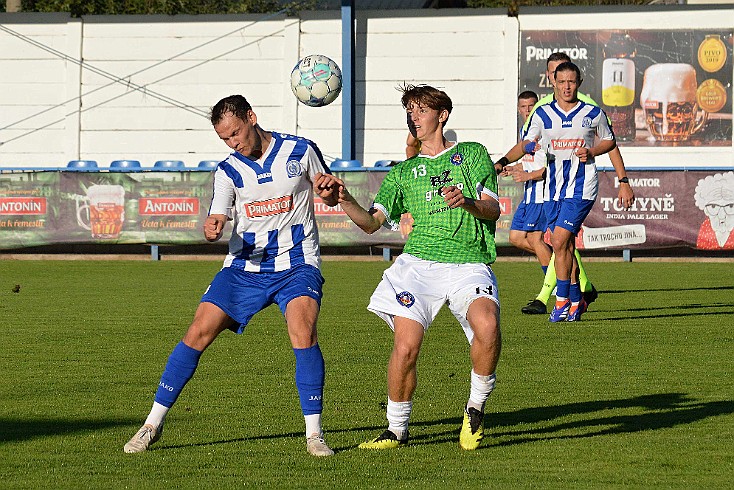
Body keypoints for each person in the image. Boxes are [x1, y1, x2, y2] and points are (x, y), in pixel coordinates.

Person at [123, 95, 341, 457]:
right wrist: (214, 226)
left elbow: (330, 194)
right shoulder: (228, 170)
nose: (233, 143)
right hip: (244, 267)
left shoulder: (301, 151)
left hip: (297, 263)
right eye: (225, 139)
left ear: (251, 118)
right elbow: (218, 216)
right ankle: (151, 424)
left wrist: (331, 193)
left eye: (236, 133)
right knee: (197, 332)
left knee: (303, 331)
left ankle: (314, 435)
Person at [335, 84, 502, 450]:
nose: (413, 117)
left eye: (420, 110)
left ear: (441, 115)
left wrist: (467, 202)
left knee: (487, 326)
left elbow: (494, 210)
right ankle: (396, 429)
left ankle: (475, 409)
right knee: (406, 347)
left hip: (468, 263)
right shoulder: (403, 173)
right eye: (409, 111)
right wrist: (345, 199)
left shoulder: (472, 155)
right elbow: (370, 222)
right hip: (418, 266)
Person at [496, 52, 635, 315]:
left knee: (558, 241)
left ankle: (558, 301)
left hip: (581, 187)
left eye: (571, 81)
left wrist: (620, 177)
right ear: (553, 82)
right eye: (561, 81)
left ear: (579, 82)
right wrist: (502, 161)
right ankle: (578, 298)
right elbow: (526, 145)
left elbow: (610, 142)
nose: (566, 86)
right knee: (563, 245)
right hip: (551, 188)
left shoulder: (592, 112)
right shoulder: (542, 114)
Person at [502, 91, 553, 313]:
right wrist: (515, 168)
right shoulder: (526, 133)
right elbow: (532, 163)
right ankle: (562, 266)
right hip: (529, 195)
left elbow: (547, 168)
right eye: (523, 106)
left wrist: (527, 175)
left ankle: (554, 287)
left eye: (531, 106)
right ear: (518, 109)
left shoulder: (542, 131)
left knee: (534, 238)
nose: (527, 110)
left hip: (541, 194)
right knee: (515, 237)